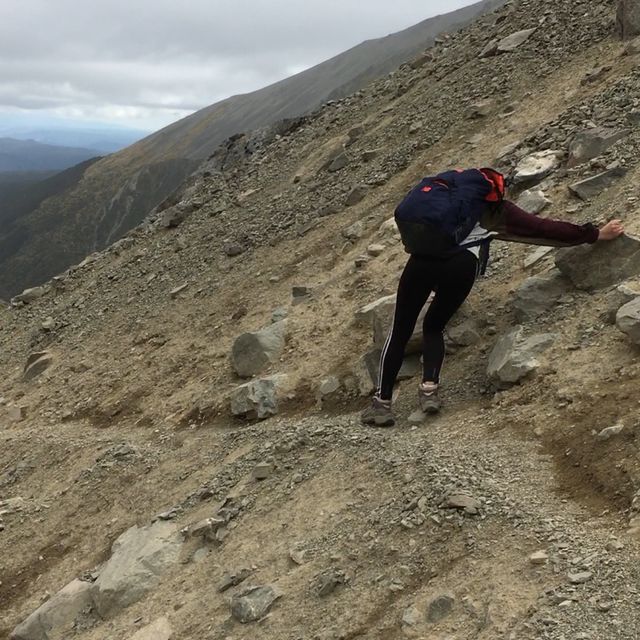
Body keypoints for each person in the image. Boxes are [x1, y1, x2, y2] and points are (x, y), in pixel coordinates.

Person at [361, 167, 625, 427]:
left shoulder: (442, 200)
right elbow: (543, 228)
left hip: (422, 262)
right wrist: (595, 234)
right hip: (462, 266)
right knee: (434, 326)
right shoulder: (497, 211)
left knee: (400, 331)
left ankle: (382, 404)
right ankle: (429, 390)